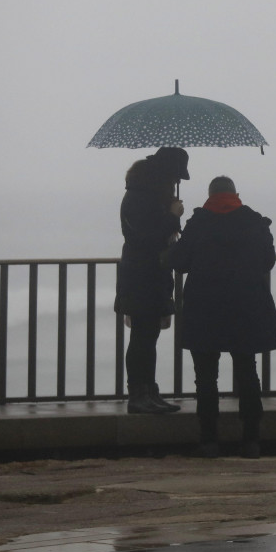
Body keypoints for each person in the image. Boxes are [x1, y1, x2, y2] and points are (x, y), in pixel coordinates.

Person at [166, 176, 276, 458]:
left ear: (210, 195)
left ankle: (208, 441)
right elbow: (268, 261)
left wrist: (175, 231)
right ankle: (251, 441)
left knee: (205, 377)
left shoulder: (199, 222)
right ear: (235, 194)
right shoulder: (254, 221)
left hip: (205, 307)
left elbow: (179, 263)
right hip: (246, 306)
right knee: (247, 372)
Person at [114, 146, 189, 414]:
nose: (177, 183)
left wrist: (170, 214)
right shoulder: (137, 198)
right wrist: (172, 216)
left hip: (151, 275)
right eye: (175, 177)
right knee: (142, 337)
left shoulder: (147, 196)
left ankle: (149, 391)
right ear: (164, 175)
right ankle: (138, 395)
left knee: (149, 335)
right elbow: (146, 238)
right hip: (141, 275)